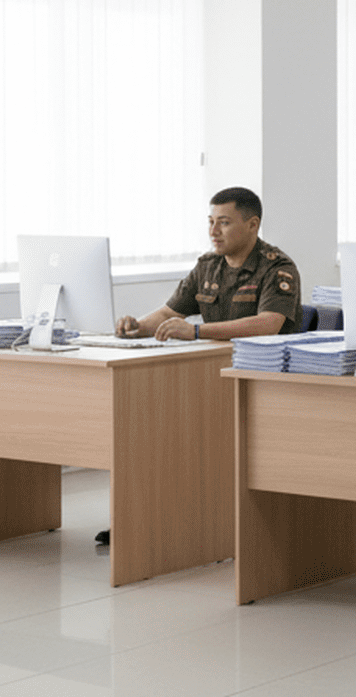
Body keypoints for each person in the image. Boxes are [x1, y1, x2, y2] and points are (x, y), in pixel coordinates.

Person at [104, 186, 300, 546]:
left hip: (259, 382)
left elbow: (268, 323)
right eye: (210, 222)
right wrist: (138, 326)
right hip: (207, 376)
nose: (213, 231)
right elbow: (169, 313)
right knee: (151, 425)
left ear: (252, 224)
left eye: (224, 223)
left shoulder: (277, 267)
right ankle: (142, 518)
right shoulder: (207, 266)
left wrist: (195, 331)